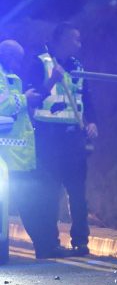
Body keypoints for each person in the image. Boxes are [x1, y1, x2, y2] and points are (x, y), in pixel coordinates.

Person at [24, 23, 98, 257]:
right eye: (75, 39)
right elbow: (30, 100)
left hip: (73, 138)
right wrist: (51, 81)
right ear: (61, 39)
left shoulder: (77, 66)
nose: (80, 43)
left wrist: (92, 121)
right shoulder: (39, 62)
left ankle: (80, 242)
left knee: (78, 192)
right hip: (48, 138)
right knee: (49, 192)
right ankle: (51, 242)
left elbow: (85, 97)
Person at [0, 39, 58, 259]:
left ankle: (46, 246)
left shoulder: (11, 78)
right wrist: (25, 99)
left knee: (32, 203)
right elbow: (2, 104)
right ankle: (45, 247)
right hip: (6, 158)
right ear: (6, 55)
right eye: (16, 59)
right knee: (29, 204)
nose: (18, 64)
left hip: (17, 157)